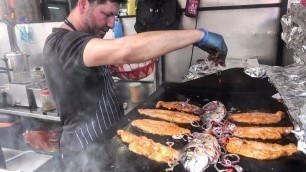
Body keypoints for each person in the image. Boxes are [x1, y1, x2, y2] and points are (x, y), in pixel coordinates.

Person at [42, 0, 227, 171]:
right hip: (85, 152)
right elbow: (126, 50)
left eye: (114, 16)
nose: (111, 24)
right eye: (106, 14)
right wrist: (198, 35)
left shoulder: (81, 42)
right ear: (83, 4)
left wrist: (112, 69)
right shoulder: (62, 43)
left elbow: (87, 77)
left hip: (109, 143)